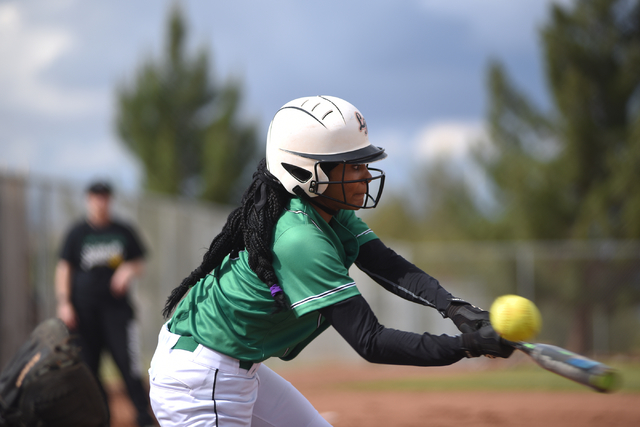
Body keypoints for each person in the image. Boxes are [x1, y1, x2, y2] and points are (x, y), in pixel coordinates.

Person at [148, 95, 514, 427]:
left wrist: (455, 308)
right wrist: (467, 346)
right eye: (351, 166)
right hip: (201, 380)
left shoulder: (327, 210)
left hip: (229, 364)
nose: (365, 175)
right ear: (304, 172)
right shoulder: (300, 239)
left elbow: (386, 265)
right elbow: (371, 341)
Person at [55, 181, 156, 427]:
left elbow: (139, 261)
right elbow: (64, 268)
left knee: (128, 365)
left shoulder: (122, 230)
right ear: (88, 200)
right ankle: (102, 419)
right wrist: (64, 302)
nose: (100, 202)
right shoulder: (77, 233)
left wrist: (127, 269)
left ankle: (143, 417)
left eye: (104, 197)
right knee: (89, 369)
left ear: (110, 200)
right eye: (95, 197)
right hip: (83, 312)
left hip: (117, 312)